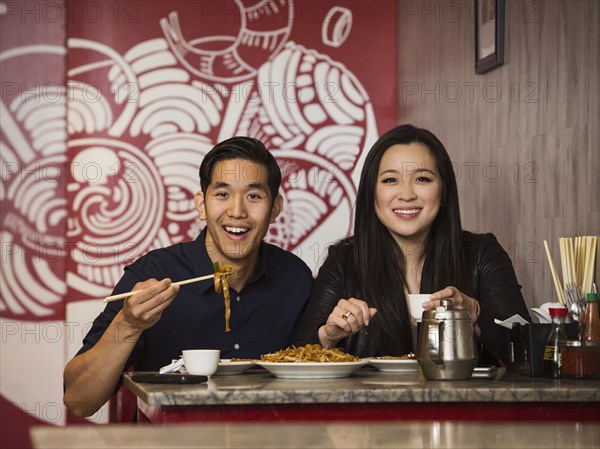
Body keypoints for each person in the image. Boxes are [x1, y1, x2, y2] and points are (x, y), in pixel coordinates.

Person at [64, 136, 313, 417]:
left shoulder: (295, 279)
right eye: (222, 194)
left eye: (254, 196)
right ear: (201, 205)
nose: (237, 211)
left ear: (275, 208)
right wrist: (130, 323)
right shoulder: (153, 274)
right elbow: (78, 400)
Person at [294, 124, 531, 362]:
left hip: (462, 400)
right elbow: (297, 357)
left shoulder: (481, 254)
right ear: (371, 193)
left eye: (422, 178)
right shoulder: (343, 262)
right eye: (390, 180)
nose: (406, 194)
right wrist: (328, 336)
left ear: (444, 191)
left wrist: (475, 312)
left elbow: (527, 351)